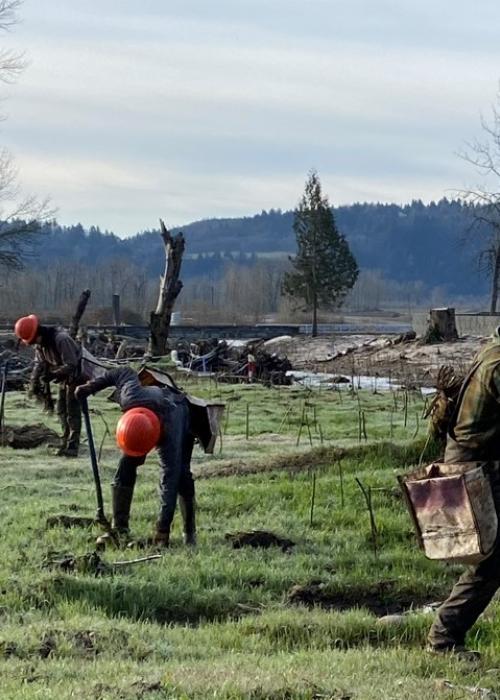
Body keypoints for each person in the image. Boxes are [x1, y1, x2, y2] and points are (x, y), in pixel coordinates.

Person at [427, 329, 500, 661]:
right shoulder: (498, 363)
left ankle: (445, 636)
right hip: (478, 469)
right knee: (493, 561)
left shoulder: (492, 351)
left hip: (476, 464)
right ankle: (444, 638)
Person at [75, 365, 196, 548]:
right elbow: (121, 371)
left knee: (180, 476)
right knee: (126, 465)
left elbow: (169, 480)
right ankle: (120, 528)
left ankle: (189, 533)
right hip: (142, 418)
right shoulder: (130, 396)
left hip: (179, 409)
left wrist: (161, 532)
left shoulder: (172, 429)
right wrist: (90, 387)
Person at [15, 314, 87, 458]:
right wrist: (36, 381)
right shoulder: (40, 345)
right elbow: (41, 364)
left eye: (33, 340)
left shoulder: (61, 339)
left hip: (77, 377)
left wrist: (54, 374)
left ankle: (73, 447)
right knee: (61, 411)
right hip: (62, 379)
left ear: (38, 333)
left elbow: (72, 364)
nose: (33, 343)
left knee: (72, 412)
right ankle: (64, 441)